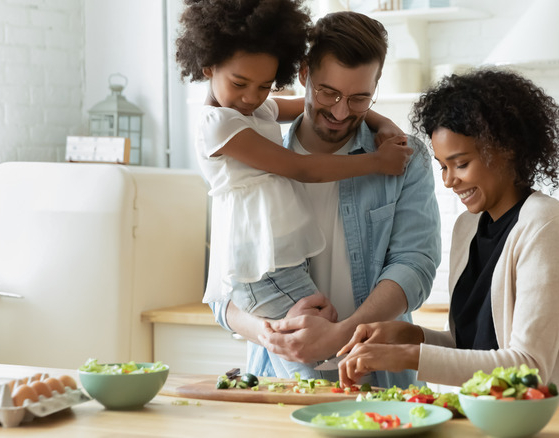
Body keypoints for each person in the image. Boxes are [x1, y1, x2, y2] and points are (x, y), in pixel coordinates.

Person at [335, 68, 559, 409]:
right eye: (443, 166)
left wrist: (410, 357)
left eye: (461, 164)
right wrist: (407, 336)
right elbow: (474, 346)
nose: (449, 181)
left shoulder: (547, 227)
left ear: (507, 150)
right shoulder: (468, 228)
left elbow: (527, 367)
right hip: (496, 422)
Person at [175, 0, 413, 379]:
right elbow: (300, 168)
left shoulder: (253, 110)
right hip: (263, 268)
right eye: (240, 84)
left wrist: (382, 122)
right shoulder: (218, 125)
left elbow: (305, 105)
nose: (253, 97)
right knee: (310, 369)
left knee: (314, 363)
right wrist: (376, 162)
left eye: (265, 85)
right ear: (208, 66)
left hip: (281, 263)